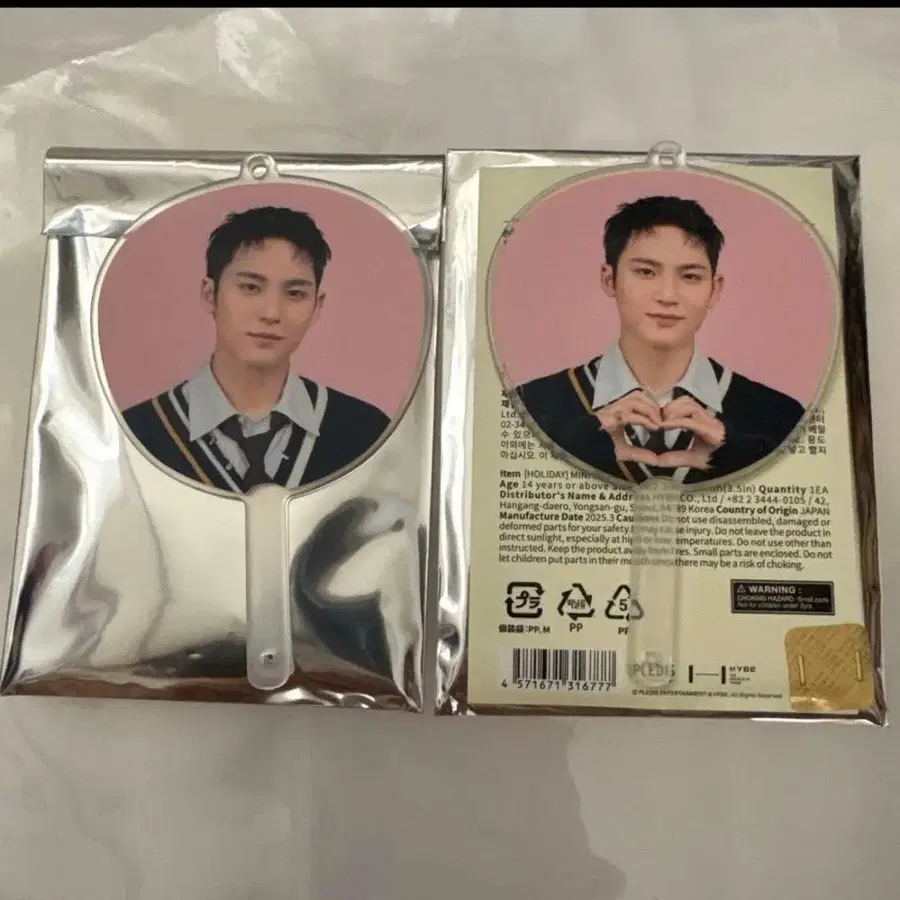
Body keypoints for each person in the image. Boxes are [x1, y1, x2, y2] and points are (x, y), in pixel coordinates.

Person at [515, 195, 805, 485]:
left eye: (690, 276)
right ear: (609, 279)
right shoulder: (530, 405)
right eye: (645, 272)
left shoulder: (781, 416)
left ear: (714, 290)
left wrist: (738, 456)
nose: (668, 295)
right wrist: (578, 446)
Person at [123, 206, 390, 494]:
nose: (271, 313)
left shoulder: (366, 434)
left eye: (295, 294)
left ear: (317, 306)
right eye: (250, 287)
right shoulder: (133, 438)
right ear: (209, 295)